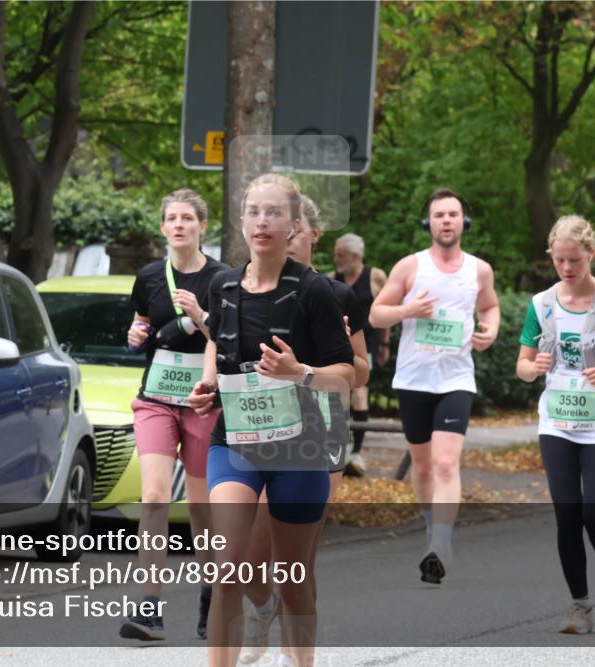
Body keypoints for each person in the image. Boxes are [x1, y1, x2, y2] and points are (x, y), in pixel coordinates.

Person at [189, 175, 355, 667]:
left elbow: (345, 376)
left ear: (294, 224)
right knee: (227, 572)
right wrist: (209, 390)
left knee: (295, 579)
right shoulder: (221, 287)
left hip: (299, 447)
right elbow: (225, 354)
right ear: (241, 221)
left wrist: (299, 372)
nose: (263, 221)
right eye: (253, 211)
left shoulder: (316, 292)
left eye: (274, 213)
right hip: (234, 441)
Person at [237, 194, 371, 665]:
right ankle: (261, 605)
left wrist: (310, 361)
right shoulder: (251, 288)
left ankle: (297, 656)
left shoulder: (332, 294)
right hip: (263, 424)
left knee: (297, 560)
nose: (283, 238)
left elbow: (361, 371)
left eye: (292, 231)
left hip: (320, 428)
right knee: (248, 554)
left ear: (313, 234)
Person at [515, 215, 595, 634]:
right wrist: (532, 367)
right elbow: (522, 366)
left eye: (575, 260)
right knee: (568, 516)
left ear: (592, 253)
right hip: (557, 421)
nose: (568, 269)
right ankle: (579, 606)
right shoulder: (541, 304)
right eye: (560, 261)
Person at [369, 187, 500, 584]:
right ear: (429, 223)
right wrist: (408, 309)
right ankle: (432, 529)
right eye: (439, 214)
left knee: (445, 462)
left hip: (456, 379)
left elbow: (489, 306)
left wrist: (489, 331)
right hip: (413, 379)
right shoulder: (410, 267)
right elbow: (376, 315)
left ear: (464, 222)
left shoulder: (479, 270)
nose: (446, 220)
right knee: (423, 466)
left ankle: (440, 545)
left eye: (453, 214)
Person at [120, 189, 228, 641]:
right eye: (171, 218)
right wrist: (136, 331)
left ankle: (211, 593)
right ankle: (150, 606)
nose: (179, 225)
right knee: (155, 496)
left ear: (203, 226)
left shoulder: (223, 279)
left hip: (202, 400)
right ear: (163, 227)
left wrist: (200, 316)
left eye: (187, 218)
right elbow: (143, 325)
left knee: (202, 508)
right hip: (156, 398)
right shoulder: (148, 276)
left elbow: (223, 336)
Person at [333, 233, 390, 475]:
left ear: (355, 256)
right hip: (338, 343)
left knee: (359, 390)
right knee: (340, 393)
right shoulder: (332, 279)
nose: (336, 259)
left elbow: (385, 310)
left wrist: (385, 345)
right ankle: (342, 448)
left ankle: (357, 451)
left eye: (340, 255)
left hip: (366, 343)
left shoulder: (375, 277)